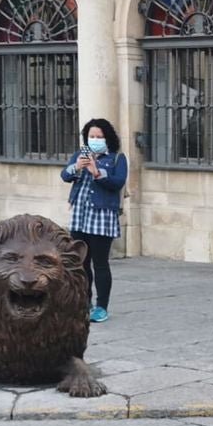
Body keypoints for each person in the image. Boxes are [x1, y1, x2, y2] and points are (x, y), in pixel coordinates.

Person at [61, 119, 127, 323]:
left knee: (100, 263)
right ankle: (85, 302)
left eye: (99, 137)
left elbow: (118, 182)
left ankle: (101, 307)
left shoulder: (116, 158)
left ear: (107, 138)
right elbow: (65, 175)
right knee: (81, 262)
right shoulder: (80, 154)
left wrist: (97, 173)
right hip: (79, 214)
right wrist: (76, 167)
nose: (95, 140)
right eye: (92, 136)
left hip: (101, 216)